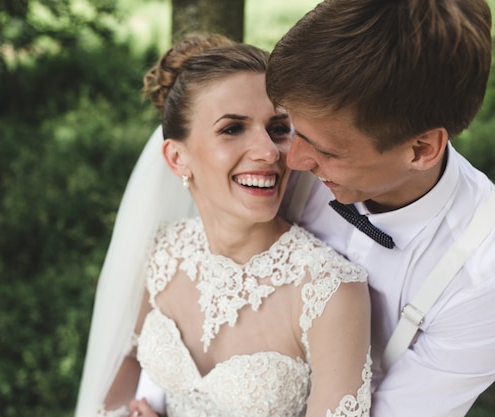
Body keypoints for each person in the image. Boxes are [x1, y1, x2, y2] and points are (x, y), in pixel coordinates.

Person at [76, 33, 373, 417]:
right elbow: (115, 387)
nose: (268, 152)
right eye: (233, 128)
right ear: (177, 158)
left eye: (278, 129)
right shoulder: (163, 252)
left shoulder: (329, 291)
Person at [265, 0, 495, 416]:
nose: (292, 160)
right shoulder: (272, 155)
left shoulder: (483, 278)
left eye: (325, 151)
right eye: (293, 129)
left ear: (421, 149)